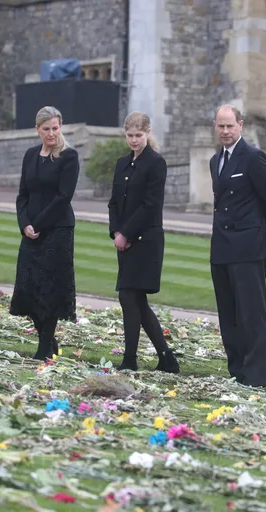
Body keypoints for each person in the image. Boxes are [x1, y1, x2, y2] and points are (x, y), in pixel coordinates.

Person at [209, 104, 266, 388]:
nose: (225, 131)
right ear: (216, 127)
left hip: (248, 247)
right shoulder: (215, 161)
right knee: (228, 315)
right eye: (221, 126)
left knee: (251, 315)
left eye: (230, 126)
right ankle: (236, 372)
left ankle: (254, 378)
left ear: (240, 125)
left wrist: (259, 228)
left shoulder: (253, 157)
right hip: (222, 248)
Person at [107, 112, 179, 373]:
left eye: (139, 135)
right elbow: (114, 202)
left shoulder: (155, 163)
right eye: (130, 136)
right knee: (136, 300)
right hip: (125, 241)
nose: (134, 140)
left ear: (148, 132)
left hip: (145, 241)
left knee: (128, 296)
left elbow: (150, 206)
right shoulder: (123, 164)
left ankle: (130, 360)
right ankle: (166, 357)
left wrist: (126, 233)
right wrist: (116, 232)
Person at [9, 106, 79, 360]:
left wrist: (36, 225)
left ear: (61, 127)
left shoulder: (68, 157)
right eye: (46, 129)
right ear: (37, 129)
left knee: (50, 290)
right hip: (30, 231)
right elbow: (22, 195)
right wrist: (24, 224)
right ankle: (49, 339)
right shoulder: (30, 155)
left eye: (55, 128)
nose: (51, 133)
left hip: (57, 230)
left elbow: (63, 197)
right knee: (27, 287)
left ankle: (44, 350)